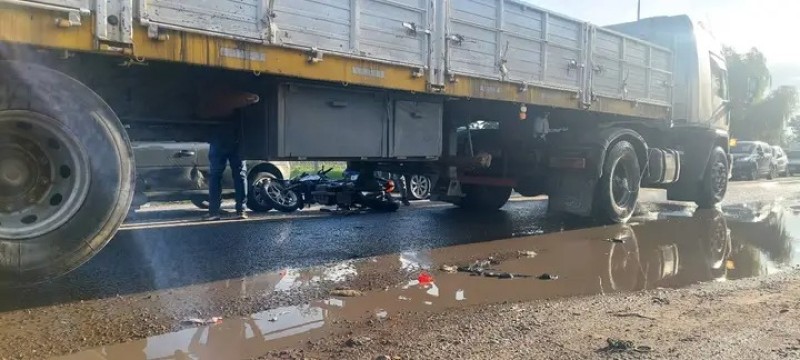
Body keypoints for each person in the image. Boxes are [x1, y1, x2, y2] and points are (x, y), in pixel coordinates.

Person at [197, 87, 260, 221]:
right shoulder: (239, 96)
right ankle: (241, 210)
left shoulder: (216, 97)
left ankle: (214, 212)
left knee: (216, 175)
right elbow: (254, 99)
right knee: (239, 174)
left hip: (219, 139)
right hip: (236, 140)